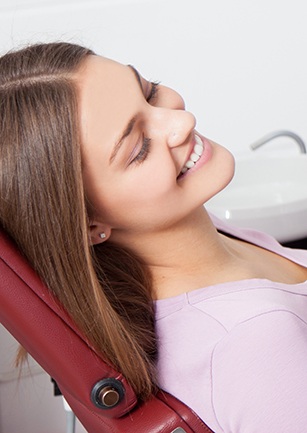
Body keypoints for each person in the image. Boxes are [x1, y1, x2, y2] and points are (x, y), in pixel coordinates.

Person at [0, 42, 307, 433]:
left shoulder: (200, 238)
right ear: (90, 224)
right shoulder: (254, 342)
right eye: (139, 148)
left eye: (151, 92)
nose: (182, 122)